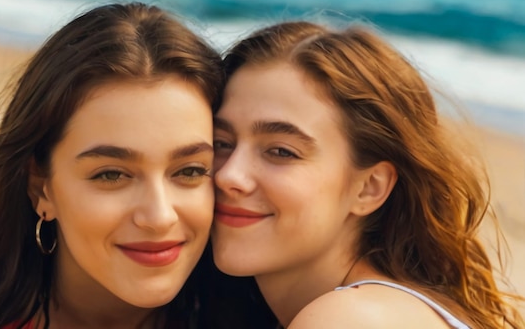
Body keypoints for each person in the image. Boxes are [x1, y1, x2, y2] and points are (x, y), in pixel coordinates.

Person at [0, 1, 280, 329]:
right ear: (41, 187)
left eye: (190, 171)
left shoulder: (264, 304)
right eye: (111, 174)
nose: (159, 216)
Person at [211, 21, 525, 328]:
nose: (229, 175)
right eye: (221, 143)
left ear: (369, 188)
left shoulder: (348, 319)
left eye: (281, 151)